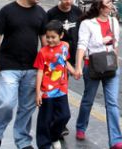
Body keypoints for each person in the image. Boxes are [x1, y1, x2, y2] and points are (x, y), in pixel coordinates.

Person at [0, 0, 48, 149]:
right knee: (6, 102)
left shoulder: (41, 13)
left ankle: (22, 140)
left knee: (27, 108)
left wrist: (47, 68)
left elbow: (44, 43)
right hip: (9, 66)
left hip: (32, 68)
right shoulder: (7, 11)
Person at [74, 0, 122, 149]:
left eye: (110, 2)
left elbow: (115, 44)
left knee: (112, 103)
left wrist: (117, 62)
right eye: (108, 3)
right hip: (92, 65)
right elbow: (82, 45)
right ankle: (81, 127)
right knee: (88, 99)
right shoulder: (87, 24)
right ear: (100, 7)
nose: (111, 5)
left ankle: (116, 140)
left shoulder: (114, 22)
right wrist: (78, 66)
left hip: (111, 65)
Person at [46, 0, 83, 138]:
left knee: (62, 89)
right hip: (57, 60)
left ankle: (59, 122)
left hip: (74, 56)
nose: (68, 1)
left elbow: (82, 33)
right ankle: (58, 124)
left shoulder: (77, 11)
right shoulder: (51, 13)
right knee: (58, 90)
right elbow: (46, 38)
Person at [34, 20, 77, 149]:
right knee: (45, 119)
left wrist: (73, 71)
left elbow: (64, 61)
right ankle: (44, 144)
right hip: (47, 91)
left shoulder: (64, 47)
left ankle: (53, 136)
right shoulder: (43, 52)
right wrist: (38, 93)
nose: (50, 40)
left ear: (61, 35)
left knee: (65, 115)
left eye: (53, 37)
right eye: (48, 37)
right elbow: (40, 72)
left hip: (62, 89)